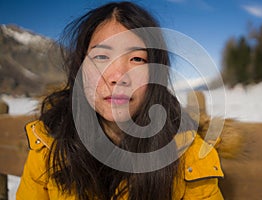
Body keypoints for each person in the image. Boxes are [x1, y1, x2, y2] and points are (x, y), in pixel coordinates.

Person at [16, 1, 224, 199]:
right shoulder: (48, 144)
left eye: (136, 59)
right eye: (101, 57)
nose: (118, 76)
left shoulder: (188, 154)